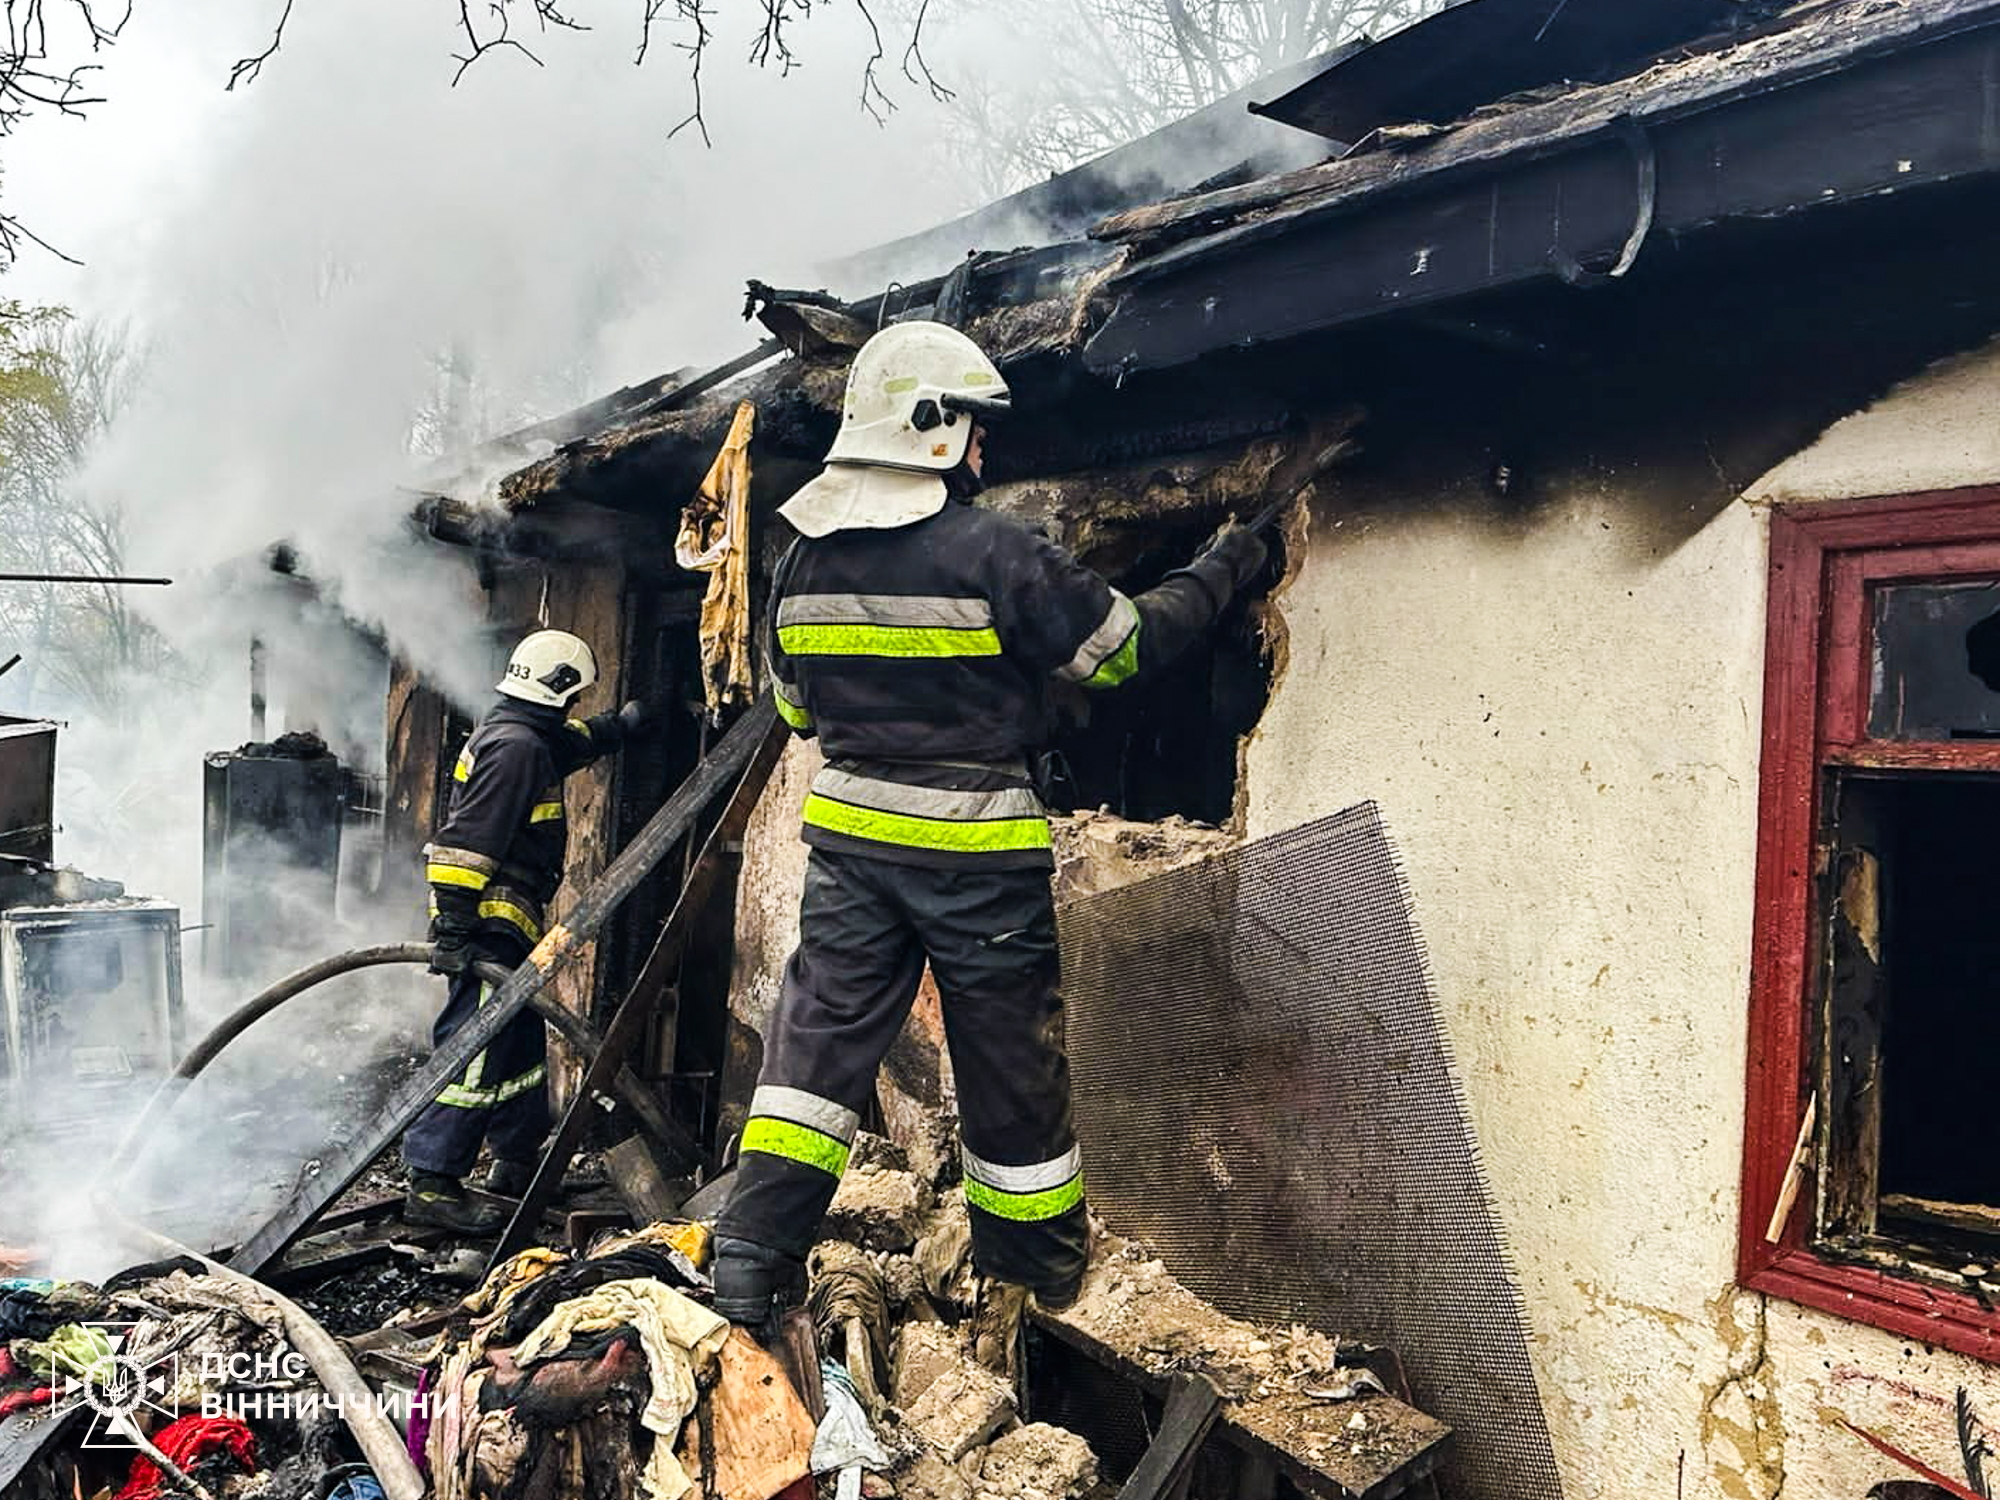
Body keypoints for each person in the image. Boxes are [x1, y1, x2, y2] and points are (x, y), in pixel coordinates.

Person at [711, 320, 1270, 1325]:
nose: (983, 448)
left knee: (812, 1058)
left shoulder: (798, 561)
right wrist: (1227, 563)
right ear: (929, 428)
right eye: (974, 426)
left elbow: (796, 713)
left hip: (849, 854)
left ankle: (750, 1256)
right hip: (976, 858)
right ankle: (1037, 1270)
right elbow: (1124, 651)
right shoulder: (994, 550)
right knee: (1008, 1067)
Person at [403, 628, 654, 1234]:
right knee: (475, 1047)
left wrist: (618, 728)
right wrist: (455, 927)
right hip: (487, 920)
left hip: (507, 919)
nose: (576, 707)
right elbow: (466, 843)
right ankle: (432, 1181)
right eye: (576, 697)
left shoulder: (522, 733)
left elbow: (565, 745)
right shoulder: (516, 748)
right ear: (558, 689)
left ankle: (514, 1160)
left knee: (517, 1045)